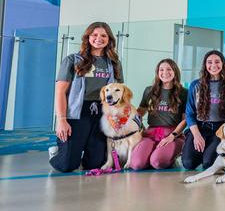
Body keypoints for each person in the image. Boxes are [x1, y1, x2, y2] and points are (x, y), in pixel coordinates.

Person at [50, 22, 124, 172]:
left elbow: (119, 93)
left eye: (104, 35)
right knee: (67, 165)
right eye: (94, 35)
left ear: (109, 39)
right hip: (77, 112)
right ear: (87, 37)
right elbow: (60, 92)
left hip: (102, 112)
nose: (99, 38)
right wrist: (62, 120)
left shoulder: (114, 63)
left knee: (95, 164)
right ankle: (56, 154)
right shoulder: (72, 60)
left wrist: (119, 118)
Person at [182, 50, 225, 170]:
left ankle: (211, 152)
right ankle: (205, 150)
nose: (213, 65)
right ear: (205, 65)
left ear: (223, 64)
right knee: (188, 163)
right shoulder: (195, 85)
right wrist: (197, 136)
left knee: (208, 164)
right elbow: (189, 114)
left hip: (220, 130)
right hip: (199, 128)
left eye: (217, 62)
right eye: (209, 62)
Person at [129, 59, 188, 170]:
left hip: (173, 135)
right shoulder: (149, 91)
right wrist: (126, 116)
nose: (165, 72)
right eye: (161, 69)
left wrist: (172, 136)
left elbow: (185, 120)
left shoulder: (184, 92)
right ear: (157, 72)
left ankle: (170, 156)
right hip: (150, 134)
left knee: (157, 162)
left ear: (175, 71)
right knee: (137, 164)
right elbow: (140, 112)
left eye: (169, 69)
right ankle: (153, 153)